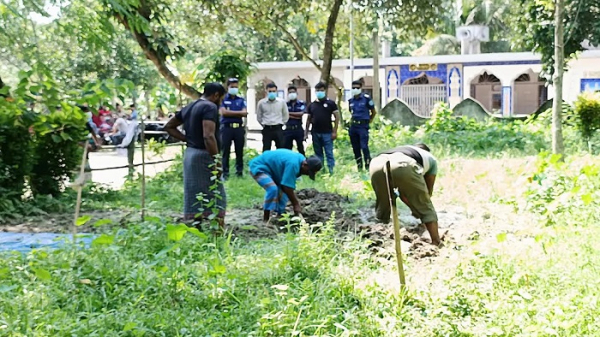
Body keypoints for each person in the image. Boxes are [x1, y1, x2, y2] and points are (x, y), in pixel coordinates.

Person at [164, 83, 227, 227]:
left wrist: (188, 139)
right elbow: (208, 136)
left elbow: (169, 126)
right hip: (205, 155)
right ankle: (218, 231)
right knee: (217, 194)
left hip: (190, 154)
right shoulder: (209, 107)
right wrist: (217, 161)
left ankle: (195, 227)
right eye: (221, 98)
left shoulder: (190, 107)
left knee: (194, 193)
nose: (221, 102)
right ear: (216, 95)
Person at [369, 143, 441, 246]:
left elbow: (402, 192)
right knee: (425, 205)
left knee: (383, 204)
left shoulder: (403, 150)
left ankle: (378, 237)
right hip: (403, 165)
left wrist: (413, 208)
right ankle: (436, 242)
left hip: (377, 164)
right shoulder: (430, 159)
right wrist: (420, 211)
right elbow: (427, 193)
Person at [249, 149, 323, 222]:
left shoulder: (300, 161)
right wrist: (296, 204)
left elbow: (286, 187)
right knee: (272, 189)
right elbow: (287, 187)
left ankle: (279, 214)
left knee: (283, 192)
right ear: (305, 165)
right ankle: (266, 219)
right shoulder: (293, 164)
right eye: (307, 172)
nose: (306, 174)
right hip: (260, 167)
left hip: (274, 171)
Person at [305, 82, 339, 175]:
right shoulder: (311, 105)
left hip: (327, 132)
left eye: (321, 90)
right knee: (318, 154)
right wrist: (306, 133)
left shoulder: (331, 103)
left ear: (325, 91)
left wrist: (334, 131)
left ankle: (331, 171)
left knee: (329, 153)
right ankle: (321, 171)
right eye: (318, 90)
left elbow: (337, 117)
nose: (319, 92)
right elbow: (308, 120)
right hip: (315, 132)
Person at [220, 78, 248, 179]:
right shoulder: (223, 100)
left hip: (238, 129)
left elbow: (245, 113)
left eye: (236, 87)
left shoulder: (241, 100)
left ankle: (239, 172)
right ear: (227, 87)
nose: (234, 89)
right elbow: (223, 113)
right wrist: (238, 113)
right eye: (232, 87)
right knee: (225, 151)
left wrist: (230, 112)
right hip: (226, 128)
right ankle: (225, 173)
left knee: (239, 151)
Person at [348, 80, 377, 171]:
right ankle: (359, 167)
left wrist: (369, 120)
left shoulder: (366, 99)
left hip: (363, 126)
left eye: (357, 88)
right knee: (356, 148)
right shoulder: (351, 101)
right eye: (353, 88)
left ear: (361, 88)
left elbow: (373, 112)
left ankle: (368, 165)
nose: (355, 89)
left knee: (364, 147)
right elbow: (351, 112)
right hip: (353, 126)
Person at [256, 82, 289, 152]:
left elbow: (285, 115)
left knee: (281, 149)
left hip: (278, 128)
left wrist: (281, 124)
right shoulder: (261, 103)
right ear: (266, 91)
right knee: (266, 149)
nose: (272, 93)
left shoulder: (281, 102)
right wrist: (264, 124)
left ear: (276, 91)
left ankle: (279, 163)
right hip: (267, 128)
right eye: (270, 91)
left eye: (274, 91)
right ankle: (266, 163)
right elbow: (259, 116)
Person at [283, 86, 306, 156]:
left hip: (298, 129)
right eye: (290, 92)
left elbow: (301, 114)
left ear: (296, 93)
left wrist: (288, 114)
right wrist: (295, 115)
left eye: (293, 92)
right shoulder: (285, 104)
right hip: (288, 129)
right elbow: (283, 115)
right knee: (287, 150)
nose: (292, 94)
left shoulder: (301, 103)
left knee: (300, 149)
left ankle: (303, 164)